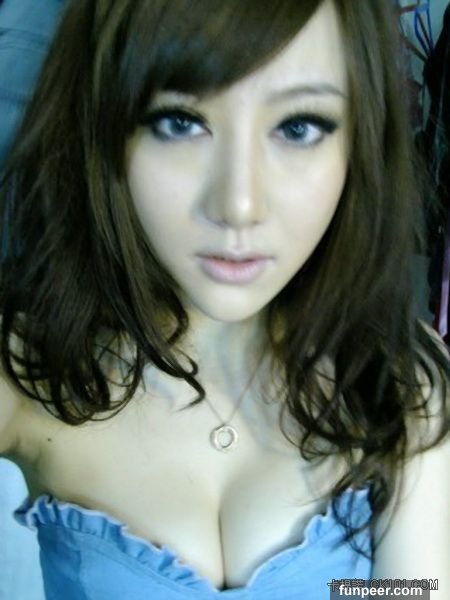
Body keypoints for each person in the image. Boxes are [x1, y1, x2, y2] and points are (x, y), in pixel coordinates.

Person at [0, 1, 449, 599]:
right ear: (106, 125)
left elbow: (415, 590)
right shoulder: (26, 368)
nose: (238, 205)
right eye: (179, 122)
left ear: (359, 143)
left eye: (298, 127)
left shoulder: (397, 377)